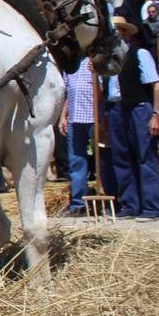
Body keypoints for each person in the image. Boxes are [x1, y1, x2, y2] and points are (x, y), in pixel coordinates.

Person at [105, 16, 159, 221]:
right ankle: (130, 204)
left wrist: (156, 114)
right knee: (121, 157)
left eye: (119, 30)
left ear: (127, 33)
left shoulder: (140, 54)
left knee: (145, 156)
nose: (115, 34)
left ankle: (151, 207)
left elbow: (157, 85)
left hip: (139, 108)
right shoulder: (108, 58)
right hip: (116, 108)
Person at [58, 60, 97, 216]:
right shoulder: (71, 66)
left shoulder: (94, 64)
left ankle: (111, 197)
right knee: (76, 162)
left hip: (93, 118)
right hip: (75, 119)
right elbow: (69, 93)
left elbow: (101, 92)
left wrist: (95, 74)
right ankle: (78, 204)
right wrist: (63, 116)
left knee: (103, 161)